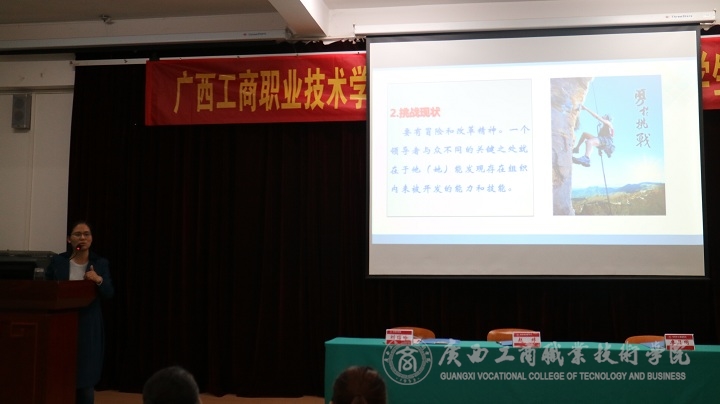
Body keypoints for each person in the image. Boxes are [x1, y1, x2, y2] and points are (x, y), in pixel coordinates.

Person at [45, 220, 114, 404]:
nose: (82, 238)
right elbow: (47, 288)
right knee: (60, 373)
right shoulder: (59, 261)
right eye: (77, 234)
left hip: (88, 323)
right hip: (62, 323)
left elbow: (109, 292)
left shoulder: (100, 263)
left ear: (91, 239)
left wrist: (98, 279)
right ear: (69, 239)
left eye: (86, 234)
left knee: (85, 376)